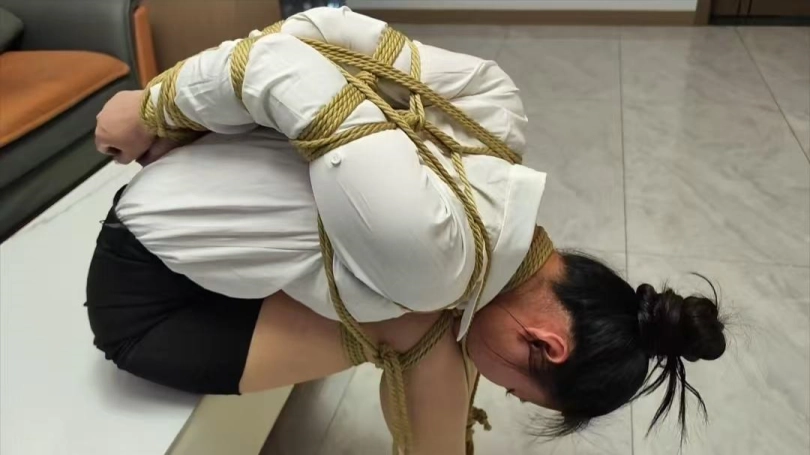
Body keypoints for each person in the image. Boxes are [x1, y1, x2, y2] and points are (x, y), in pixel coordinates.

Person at [89, 7, 727, 454]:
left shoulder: (499, 119)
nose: (502, 388)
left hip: (184, 226)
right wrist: (152, 109)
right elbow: (276, 63)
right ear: (545, 343)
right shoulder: (430, 261)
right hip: (151, 299)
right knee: (427, 325)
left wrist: (205, 130)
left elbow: (324, 31)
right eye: (518, 391)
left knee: (441, 318)